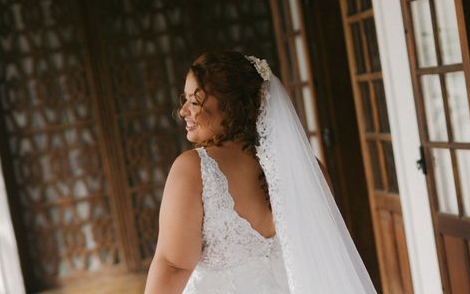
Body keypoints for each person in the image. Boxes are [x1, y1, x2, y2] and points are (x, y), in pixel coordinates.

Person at [144, 51, 377, 294]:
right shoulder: (308, 170)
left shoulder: (193, 170)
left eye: (194, 101)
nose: (183, 111)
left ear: (231, 106)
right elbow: (326, 257)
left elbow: (173, 266)